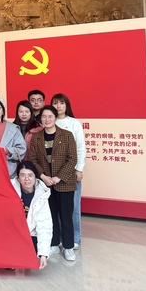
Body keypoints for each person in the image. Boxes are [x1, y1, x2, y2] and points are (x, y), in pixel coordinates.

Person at [28, 105, 77, 261]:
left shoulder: (67, 135)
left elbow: (72, 159)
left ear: (55, 118)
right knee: (50, 215)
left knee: (66, 216)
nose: (47, 119)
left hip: (64, 183)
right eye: (44, 116)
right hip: (45, 183)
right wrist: (43, 176)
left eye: (50, 116)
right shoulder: (36, 137)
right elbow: (33, 159)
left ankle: (68, 247)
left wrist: (58, 177)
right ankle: (54, 243)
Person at [51, 93, 86, 250]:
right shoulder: (49, 121)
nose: (58, 106)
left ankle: (75, 238)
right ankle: (59, 238)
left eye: (61, 103)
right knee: (56, 208)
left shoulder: (74, 123)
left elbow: (80, 147)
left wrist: (79, 168)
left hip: (71, 171)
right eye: (55, 103)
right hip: (53, 174)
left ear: (67, 105)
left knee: (73, 207)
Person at [11, 161, 52, 269]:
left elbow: (44, 225)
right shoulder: (10, 189)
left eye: (30, 175)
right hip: (13, 232)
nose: (27, 179)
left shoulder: (41, 196)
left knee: (29, 256)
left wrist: (43, 254)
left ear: (35, 177)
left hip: (30, 233)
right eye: (23, 175)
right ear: (18, 177)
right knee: (8, 262)